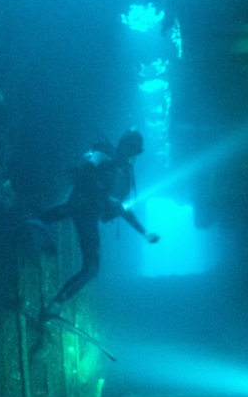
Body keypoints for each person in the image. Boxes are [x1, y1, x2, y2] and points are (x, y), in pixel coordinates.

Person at [30, 129, 159, 313]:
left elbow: (121, 209)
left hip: (87, 211)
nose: (133, 157)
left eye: (135, 153)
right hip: (85, 208)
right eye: (132, 151)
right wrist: (105, 197)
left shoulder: (118, 168)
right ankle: (55, 305)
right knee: (91, 266)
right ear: (124, 146)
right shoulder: (105, 154)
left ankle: (38, 221)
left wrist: (143, 231)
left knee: (91, 266)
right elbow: (85, 172)